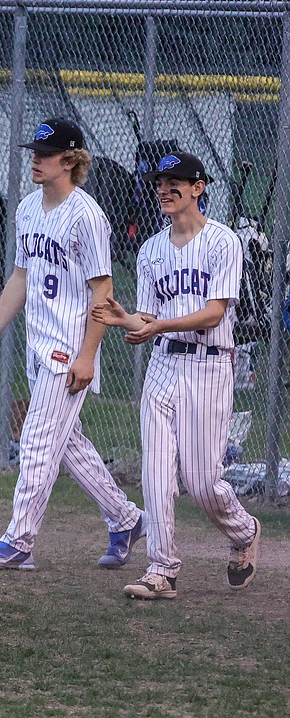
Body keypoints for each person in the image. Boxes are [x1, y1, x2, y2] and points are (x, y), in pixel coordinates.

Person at [0, 117, 144, 571]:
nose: (35, 160)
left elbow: (103, 291)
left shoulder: (87, 216)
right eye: (34, 153)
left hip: (69, 345)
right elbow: (21, 277)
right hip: (37, 343)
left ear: (71, 160)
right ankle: (126, 520)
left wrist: (88, 354)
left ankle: (18, 542)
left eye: (44, 154)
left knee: (38, 443)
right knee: (68, 445)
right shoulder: (27, 207)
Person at [92, 152, 260, 600]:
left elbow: (214, 312)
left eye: (175, 182)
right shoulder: (151, 249)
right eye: (160, 182)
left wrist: (158, 325)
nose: (165, 189)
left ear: (198, 187)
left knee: (204, 481)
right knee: (157, 472)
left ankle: (243, 531)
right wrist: (126, 319)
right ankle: (161, 569)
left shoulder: (223, 242)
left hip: (208, 365)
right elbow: (149, 316)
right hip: (164, 365)